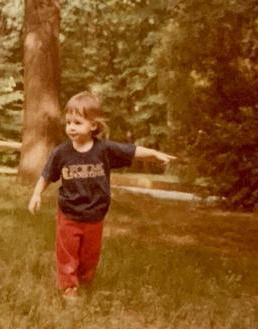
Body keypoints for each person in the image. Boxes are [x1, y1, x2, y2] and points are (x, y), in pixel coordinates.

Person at [27, 91, 176, 299]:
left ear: (93, 126)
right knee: (67, 252)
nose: (71, 127)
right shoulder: (61, 153)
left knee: (90, 256)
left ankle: (85, 282)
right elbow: (47, 175)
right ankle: (69, 287)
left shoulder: (104, 150)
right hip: (69, 214)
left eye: (77, 122)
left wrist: (154, 154)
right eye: (68, 122)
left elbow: (131, 151)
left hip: (95, 215)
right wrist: (36, 194)